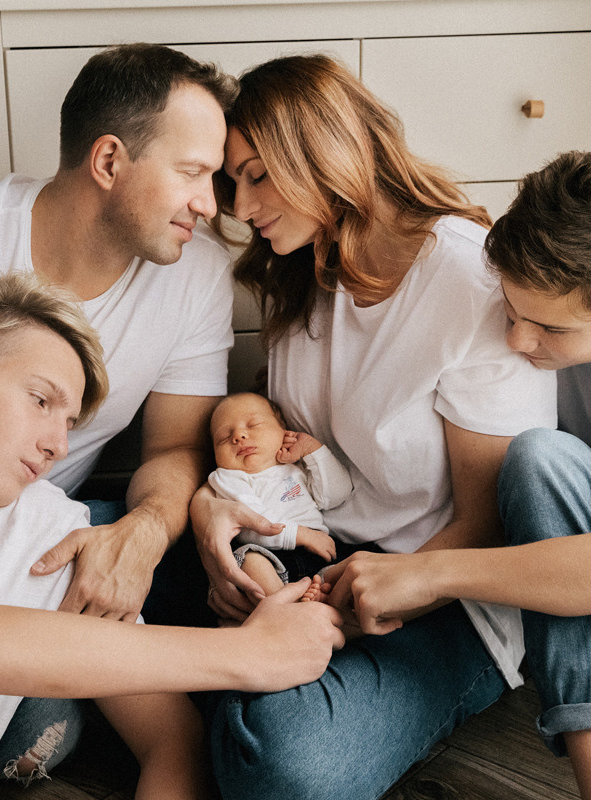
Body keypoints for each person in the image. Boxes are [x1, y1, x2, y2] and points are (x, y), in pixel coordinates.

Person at [0, 43, 238, 776]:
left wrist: (143, 533)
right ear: (110, 160)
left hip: (31, 543)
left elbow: (175, 450)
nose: (209, 204)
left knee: (45, 715)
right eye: (193, 172)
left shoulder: (197, 276)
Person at [189, 54, 557, 799]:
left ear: (323, 148)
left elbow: (490, 524)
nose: (237, 204)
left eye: (257, 174)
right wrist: (216, 510)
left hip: (441, 597)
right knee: (80, 549)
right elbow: (283, 440)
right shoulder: (299, 269)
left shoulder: (468, 281)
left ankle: (183, 690)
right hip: (307, 549)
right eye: (232, 181)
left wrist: (333, 612)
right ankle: (210, 682)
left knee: (287, 763)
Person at [0, 269, 345, 800]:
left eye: (70, 422)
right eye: (41, 401)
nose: (59, 446)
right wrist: (253, 653)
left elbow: (173, 740)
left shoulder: (53, 533)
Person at [320, 148, 591, 800]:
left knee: (542, 458)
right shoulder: (527, 331)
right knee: (541, 460)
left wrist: (430, 571)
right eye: (512, 310)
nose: (520, 341)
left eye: (549, 327)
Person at [208, 392, 352, 596]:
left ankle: (321, 598)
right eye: (224, 437)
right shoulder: (228, 478)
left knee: (359, 563)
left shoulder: (298, 465)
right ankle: (285, 607)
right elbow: (252, 523)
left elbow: (337, 495)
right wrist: (300, 534)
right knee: (251, 562)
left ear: (282, 429)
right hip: (271, 557)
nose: (238, 436)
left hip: (320, 550)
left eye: (253, 425)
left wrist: (312, 451)